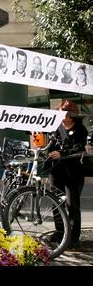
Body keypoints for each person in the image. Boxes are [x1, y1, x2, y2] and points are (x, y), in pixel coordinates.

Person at [46, 100, 88, 250]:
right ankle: (60, 233)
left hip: (74, 171)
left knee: (72, 204)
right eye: (64, 115)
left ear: (73, 115)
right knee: (56, 202)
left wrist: (62, 153)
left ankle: (73, 237)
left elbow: (79, 147)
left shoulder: (80, 129)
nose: (66, 118)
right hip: (56, 171)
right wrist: (45, 151)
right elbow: (50, 145)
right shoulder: (56, 127)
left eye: (69, 116)